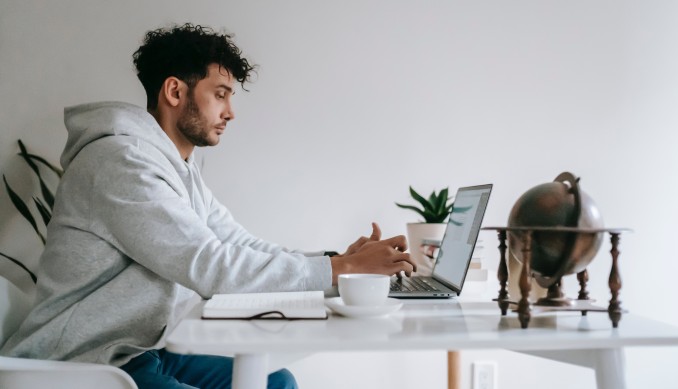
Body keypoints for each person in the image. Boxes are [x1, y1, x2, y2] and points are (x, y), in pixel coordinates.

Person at [0, 23, 416, 389]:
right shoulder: (121, 163)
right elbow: (210, 265)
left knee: (277, 383)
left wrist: (338, 262)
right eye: (220, 95)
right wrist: (339, 271)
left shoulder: (177, 167)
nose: (230, 112)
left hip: (143, 348)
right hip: (85, 361)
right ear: (175, 91)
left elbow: (237, 243)